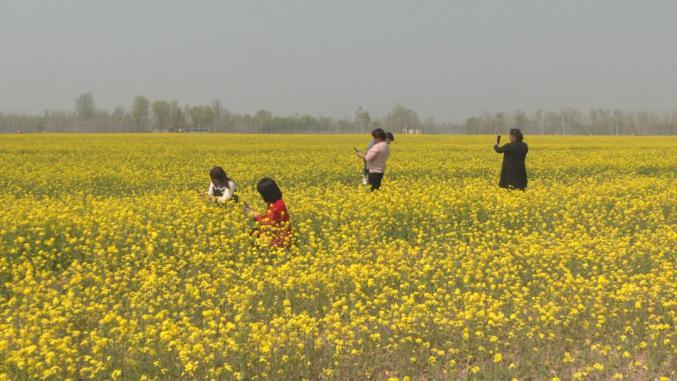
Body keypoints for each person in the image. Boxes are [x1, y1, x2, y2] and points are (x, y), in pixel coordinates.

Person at [246, 178, 292, 248]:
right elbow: (268, 218)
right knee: (252, 233)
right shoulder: (274, 202)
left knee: (253, 235)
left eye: (262, 194)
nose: (261, 196)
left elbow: (269, 224)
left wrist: (256, 216)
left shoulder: (277, 205)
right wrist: (255, 214)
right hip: (275, 234)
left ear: (266, 193)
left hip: (280, 239)